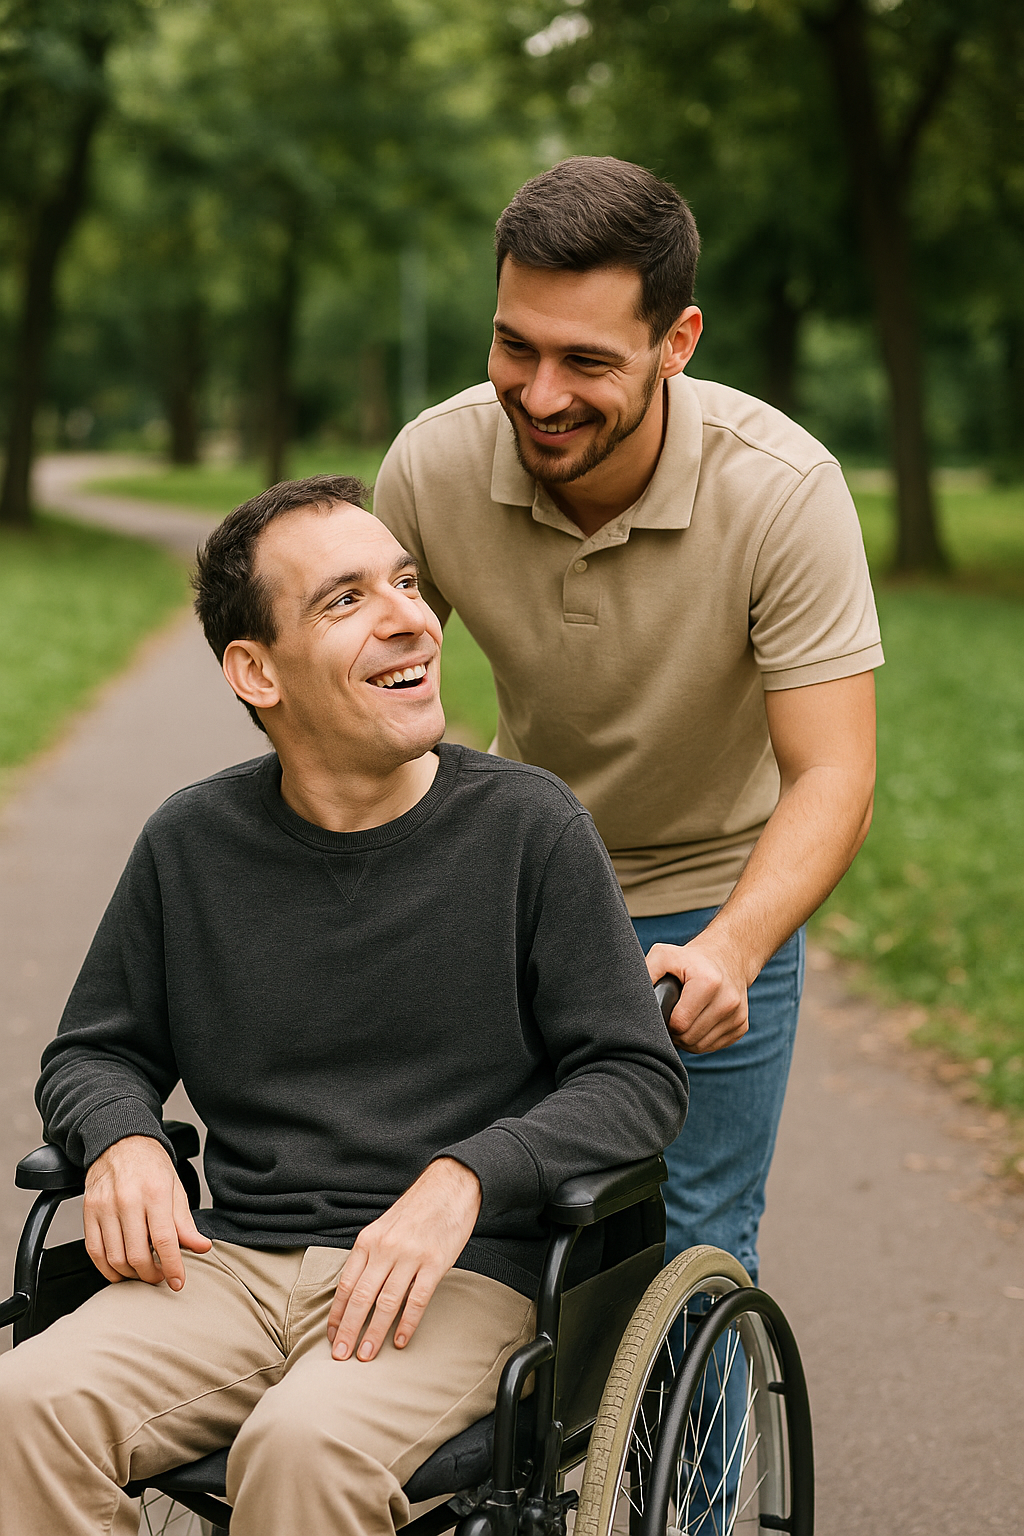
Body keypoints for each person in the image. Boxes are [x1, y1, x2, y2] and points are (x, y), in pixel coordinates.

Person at [0, 475, 687, 1536]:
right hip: (230, 1264)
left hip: (453, 1279)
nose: (410, 616)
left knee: (302, 1451)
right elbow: (94, 1052)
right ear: (255, 671)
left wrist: (469, 1174)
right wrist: (121, 1138)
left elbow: (635, 1077)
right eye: (347, 598)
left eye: (407, 584)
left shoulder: (528, 830)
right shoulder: (191, 845)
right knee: (23, 1407)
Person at [374, 155, 882, 1290]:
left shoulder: (782, 491)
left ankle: (694, 1477)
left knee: (693, 1245)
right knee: (486, 1226)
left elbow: (833, 774)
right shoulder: (432, 462)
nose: (541, 394)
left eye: (587, 360)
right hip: (522, 880)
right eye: (516, 346)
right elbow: (366, 700)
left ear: (677, 341)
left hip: (712, 888)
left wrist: (733, 948)